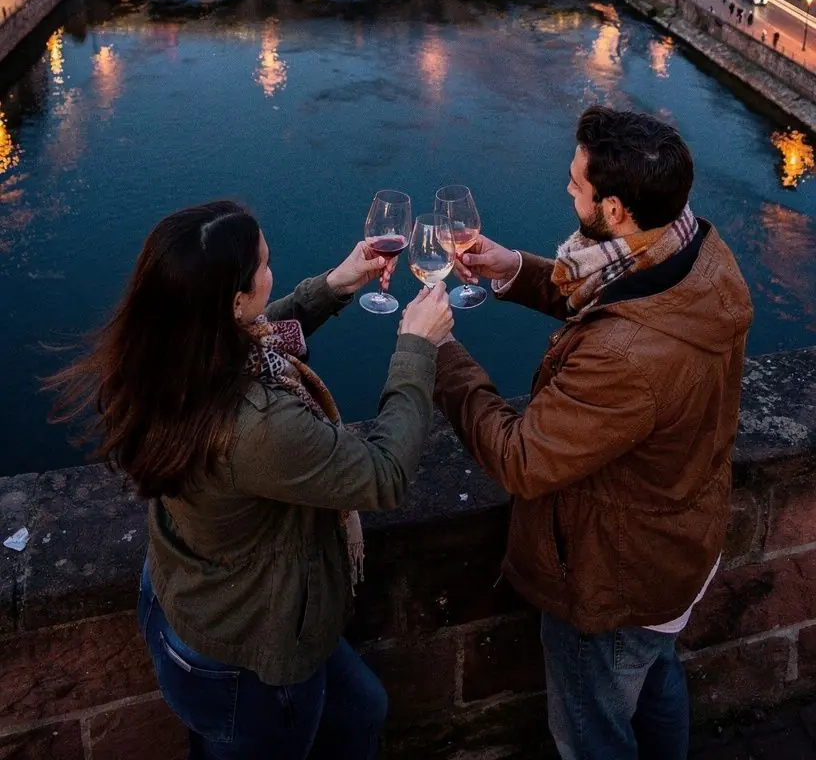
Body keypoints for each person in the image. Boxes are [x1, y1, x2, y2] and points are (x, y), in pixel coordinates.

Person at [50, 200, 453, 759]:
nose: (273, 270)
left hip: (188, 598)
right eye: (263, 265)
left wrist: (335, 286)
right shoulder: (258, 426)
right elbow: (383, 476)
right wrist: (417, 347)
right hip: (248, 651)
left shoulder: (166, 353)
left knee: (362, 712)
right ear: (236, 300)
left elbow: (261, 337)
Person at [433, 107, 753, 760]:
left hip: (613, 575)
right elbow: (623, 294)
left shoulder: (625, 358)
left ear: (612, 211)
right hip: (675, 546)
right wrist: (510, 268)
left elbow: (522, 461)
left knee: (590, 733)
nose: (566, 190)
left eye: (576, 185)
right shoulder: (696, 249)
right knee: (654, 677)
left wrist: (437, 352)